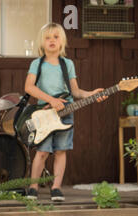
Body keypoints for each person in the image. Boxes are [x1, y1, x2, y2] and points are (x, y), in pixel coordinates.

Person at [25, 23, 106, 202]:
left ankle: (56, 188)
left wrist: (91, 94)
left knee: (61, 151)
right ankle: (33, 187)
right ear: (42, 42)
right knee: (42, 152)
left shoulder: (67, 64)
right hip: (45, 113)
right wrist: (51, 100)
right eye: (48, 37)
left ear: (62, 41)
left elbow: (75, 91)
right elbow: (29, 87)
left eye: (56, 37)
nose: (52, 40)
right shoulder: (37, 64)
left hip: (66, 113)